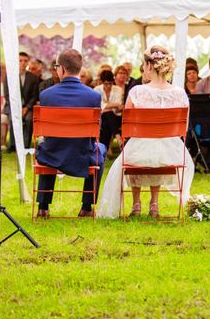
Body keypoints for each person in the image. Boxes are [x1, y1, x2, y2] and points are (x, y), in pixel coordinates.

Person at [97, 45, 194, 219]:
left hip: (141, 148)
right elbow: (183, 128)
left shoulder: (137, 91)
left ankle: (136, 203)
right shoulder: (180, 93)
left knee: (138, 148)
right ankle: (154, 204)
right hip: (173, 152)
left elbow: (127, 126)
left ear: (149, 66)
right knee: (154, 151)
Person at [35, 49, 106, 219]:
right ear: (79, 69)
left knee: (46, 145)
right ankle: (87, 206)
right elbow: (96, 132)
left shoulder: (46, 95)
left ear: (62, 69)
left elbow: (45, 133)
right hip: (82, 154)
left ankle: (43, 208)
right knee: (101, 150)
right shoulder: (93, 96)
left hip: (51, 155)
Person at [5, 51, 40, 151]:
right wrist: (17, 108)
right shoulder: (9, 76)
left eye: (25, 61)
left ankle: (25, 146)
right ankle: (12, 145)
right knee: (13, 118)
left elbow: (34, 96)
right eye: (20, 61)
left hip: (28, 107)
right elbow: (7, 95)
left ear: (28, 62)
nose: (23, 63)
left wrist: (26, 108)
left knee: (29, 119)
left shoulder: (33, 78)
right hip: (13, 106)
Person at [94, 69, 124, 153]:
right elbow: (99, 106)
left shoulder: (117, 89)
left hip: (116, 118)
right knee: (108, 117)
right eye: (106, 84)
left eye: (110, 83)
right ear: (102, 82)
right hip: (102, 119)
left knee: (108, 115)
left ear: (113, 81)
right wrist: (112, 105)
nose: (108, 86)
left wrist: (105, 106)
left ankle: (102, 151)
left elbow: (118, 106)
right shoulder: (97, 90)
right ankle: (118, 138)